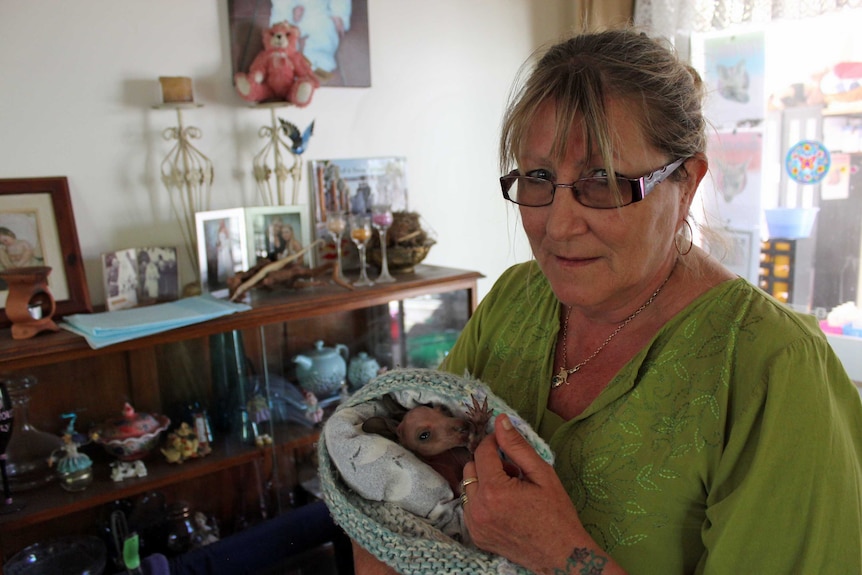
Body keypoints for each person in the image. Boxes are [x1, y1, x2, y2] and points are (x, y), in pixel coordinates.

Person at [352, 28, 862, 574]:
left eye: (604, 180)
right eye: (539, 177)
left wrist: (555, 552)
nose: (560, 225)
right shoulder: (514, 302)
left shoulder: (773, 370)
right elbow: (398, 496)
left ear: (686, 182)